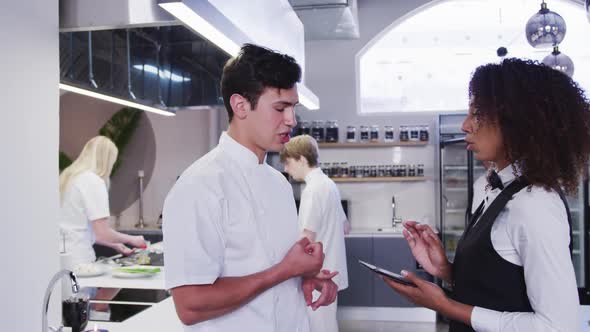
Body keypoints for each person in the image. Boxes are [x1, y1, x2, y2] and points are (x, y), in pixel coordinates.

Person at [383, 58, 590, 332]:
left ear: (519, 121)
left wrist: (445, 306)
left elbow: (557, 326)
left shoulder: (534, 204)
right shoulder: (490, 187)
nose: (465, 125)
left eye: (478, 113)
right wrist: (446, 269)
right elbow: (499, 288)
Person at [162, 44, 338, 331]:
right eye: (280, 108)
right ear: (241, 106)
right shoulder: (199, 186)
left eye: (293, 108)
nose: (291, 121)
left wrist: (301, 278)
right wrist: (285, 272)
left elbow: (267, 266)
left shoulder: (279, 183)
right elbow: (190, 305)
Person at [59, 135, 146, 316]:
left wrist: (116, 244)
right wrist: (133, 240)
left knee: (70, 317)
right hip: (80, 264)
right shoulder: (93, 181)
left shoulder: (69, 178)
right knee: (87, 313)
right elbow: (103, 232)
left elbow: (86, 229)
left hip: (62, 263)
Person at [280, 134, 349, 332]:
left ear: (301, 159)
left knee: (317, 325)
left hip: (319, 273)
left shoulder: (312, 190)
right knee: (326, 323)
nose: (286, 168)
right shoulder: (329, 185)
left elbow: (306, 239)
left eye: (288, 162)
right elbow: (345, 227)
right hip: (331, 268)